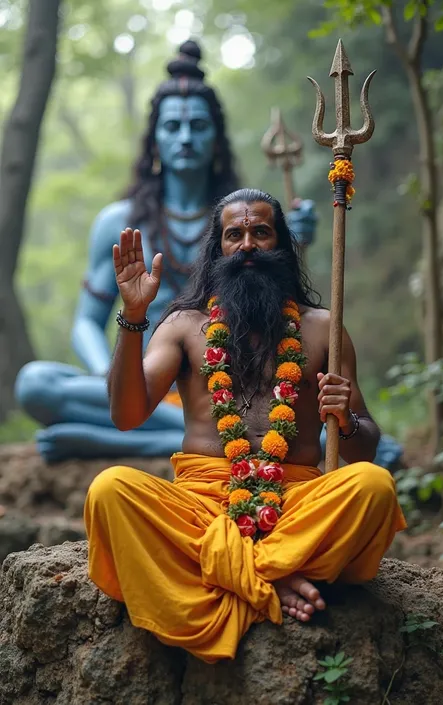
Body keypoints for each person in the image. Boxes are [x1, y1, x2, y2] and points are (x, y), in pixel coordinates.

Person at [85, 188, 406, 664]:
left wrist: (348, 417)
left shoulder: (322, 329)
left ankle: (232, 573)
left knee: (373, 487)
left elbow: (362, 452)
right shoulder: (183, 325)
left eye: (261, 232)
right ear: (217, 250)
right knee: (110, 491)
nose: (248, 245)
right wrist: (133, 318)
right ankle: (276, 575)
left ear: (281, 246)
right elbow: (126, 415)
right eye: (234, 234)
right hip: (201, 502)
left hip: (295, 499)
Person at [15, 41, 316, 463]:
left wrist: (293, 242)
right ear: (154, 137)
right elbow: (86, 322)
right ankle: (152, 433)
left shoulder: (240, 224)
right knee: (35, 383)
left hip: (222, 383)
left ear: (217, 138)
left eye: (198, 126)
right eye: (173, 126)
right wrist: (112, 374)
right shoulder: (118, 221)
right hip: (145, 379)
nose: (186, 138)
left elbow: (281, 304)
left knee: (265, 405)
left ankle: (112, 439)